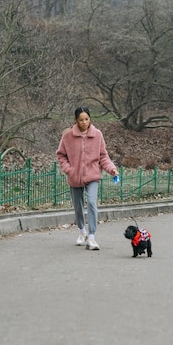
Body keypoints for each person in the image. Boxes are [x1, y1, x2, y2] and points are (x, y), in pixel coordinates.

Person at [56, 106, 118, 250]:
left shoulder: (97, 135)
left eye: (86, 119)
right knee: (78, 207)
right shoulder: (68, 136)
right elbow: (61, 155)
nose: (84, 122)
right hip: (74, 176)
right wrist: (68, 170)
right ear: (76, 120)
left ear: (90, 119)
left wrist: (111, 169)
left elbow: (103, 156)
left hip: (92, 175)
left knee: (91, 202)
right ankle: (82, 232)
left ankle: (91, 237)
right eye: (81, 120)